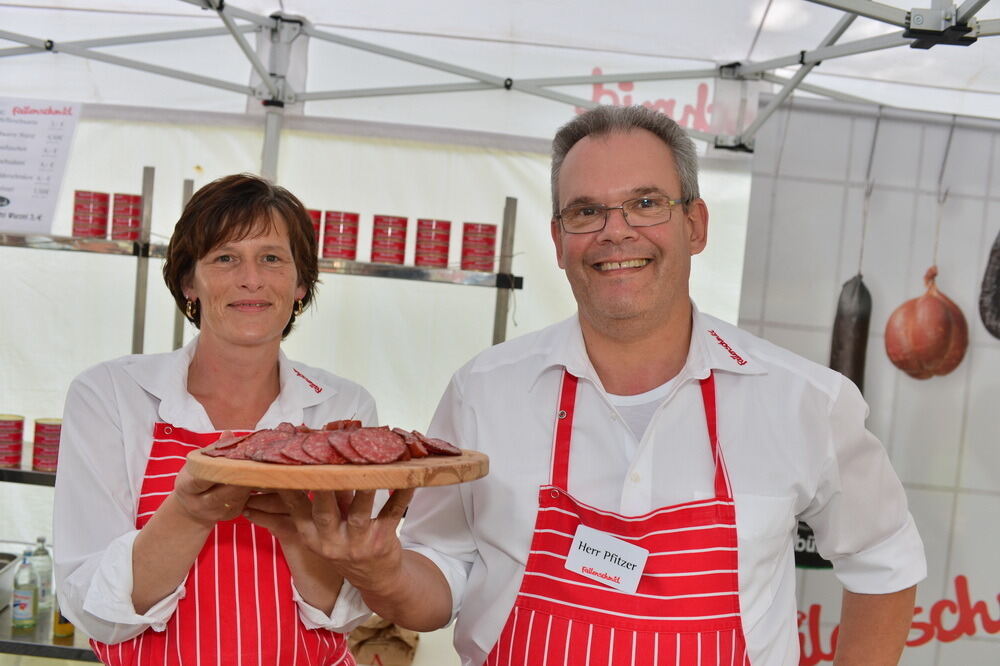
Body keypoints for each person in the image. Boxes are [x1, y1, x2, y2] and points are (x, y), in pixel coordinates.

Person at [252, 106, 927, 665]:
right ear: (558, 238)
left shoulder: (800, 398)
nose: (616, 232)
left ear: (694, 225)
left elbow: (884, 561)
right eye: (586, 212)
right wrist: (379, 570)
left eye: (645, 203)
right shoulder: (485, 391)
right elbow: (440, 580)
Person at [53, 173, 374, 665]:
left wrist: (297, 533)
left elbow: (345, 610)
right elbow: (92, 605)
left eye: (272, 258)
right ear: (189, 282)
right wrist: (189, 513)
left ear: (301, 282)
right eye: (225, 258)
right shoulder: (111, 396)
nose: (251, 278)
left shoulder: (341, 408)